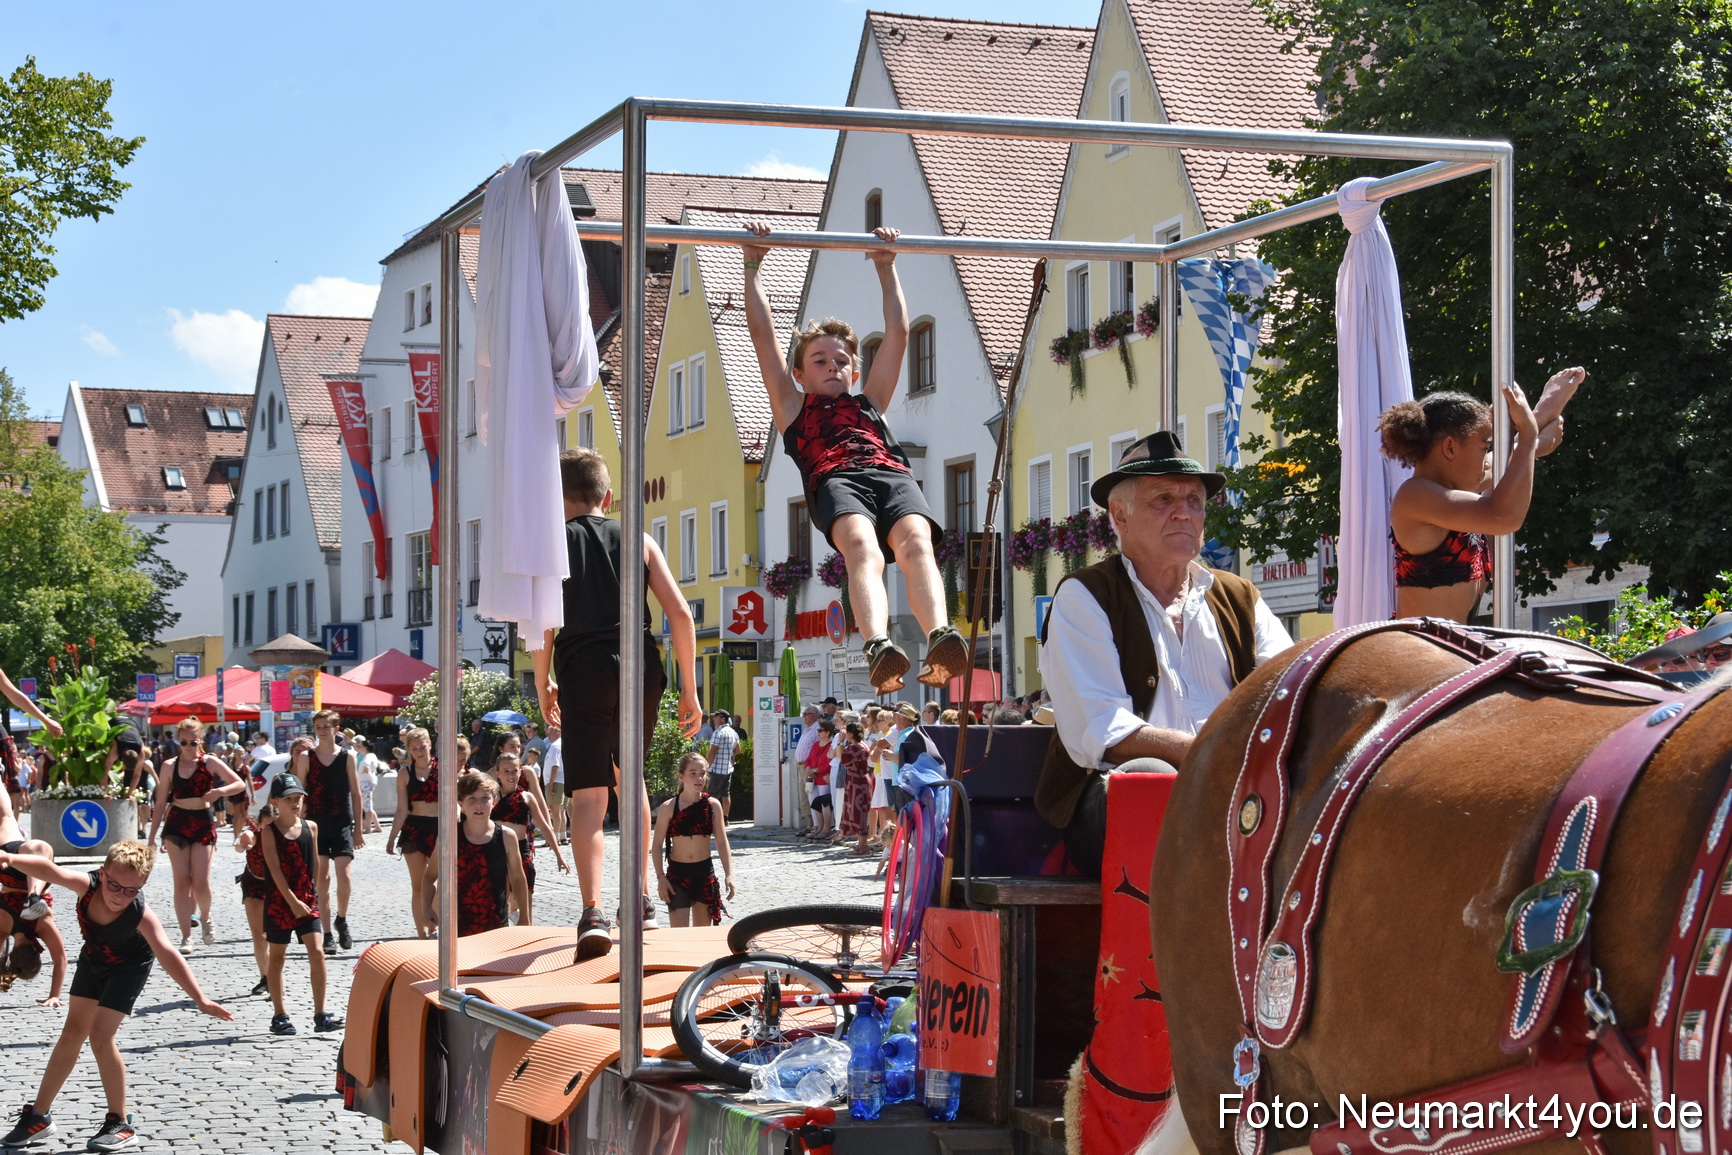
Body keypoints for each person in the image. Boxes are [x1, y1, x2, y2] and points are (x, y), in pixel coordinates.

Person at [1037, 432, 1293, 878]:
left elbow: (1291, 689)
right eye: (1164, 499)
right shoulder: (1085, 596)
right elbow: (1107, 733)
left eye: (1195, 500)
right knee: (1150, 776)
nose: (1184, 512)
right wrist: (1216, 754)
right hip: (1111, 798)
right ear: (1120, 515)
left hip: (1232, 786)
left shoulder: (1238, 596)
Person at [741, 221, 967, 694]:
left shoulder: (870, 402)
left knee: (916, 544)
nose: (833, 367)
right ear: (799, 374)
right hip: (836, 480)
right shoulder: (793, 406)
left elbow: (899, 332)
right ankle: (880, 643)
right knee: (863, 549)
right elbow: (762, 336)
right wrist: (753, 265)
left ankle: (940, 634)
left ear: (855, 369)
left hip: (890, 473)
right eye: (820, 361)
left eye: (841, 360)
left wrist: (886, 266)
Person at [534, 448, 700, 961]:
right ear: (608, 497)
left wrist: (545, 685)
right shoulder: (640, 539)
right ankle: (640, 898)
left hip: (582, 666)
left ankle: (593, 911)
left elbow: (541, 624)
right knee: (630, 779)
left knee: (588, 796)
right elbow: (681, 615)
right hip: (638, 664)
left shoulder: (552, 545)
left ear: (555, 500)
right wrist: (689, 688)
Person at [0, 840, 230, 1151]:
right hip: (94, 959)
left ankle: (119, 1122)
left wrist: (200, 998)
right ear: (102, 872)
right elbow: (49, 870)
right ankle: (38, 1117)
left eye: (131, 890)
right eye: (114, 885)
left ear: (143, 885)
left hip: (129, 968)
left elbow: (167, 953)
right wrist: (9, 856)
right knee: (71, 1033)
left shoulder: (140, 914)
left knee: (99, 1036)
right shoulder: (88, 885)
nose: (119, 896)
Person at [1378, 368, 1584, 623]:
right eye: (1484, 447)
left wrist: (1542, 414)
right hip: (1419, 649)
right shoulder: (1416, 496)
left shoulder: (1454, 489)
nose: (1486, 459)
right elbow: (1503, 517)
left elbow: (1504, 460)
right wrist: (1530, 438)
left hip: (1448, 644)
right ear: (1450, 448)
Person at [147, 718, 244, 954]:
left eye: (193, 742)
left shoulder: (210, 762)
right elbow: (160, 803)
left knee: (201, 883)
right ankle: (186, 936)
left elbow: (239, 784)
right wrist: (152, 837)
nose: (188, 746)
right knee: (182, 882)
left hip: (202, 821)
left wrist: (220, 791)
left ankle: (206, 916)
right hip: (177, 823)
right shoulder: (169, 765)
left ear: (200, 740)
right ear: (178, 741)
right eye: (184, 742)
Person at [257, 773, 342, 1036]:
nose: (295, 804)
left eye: (298, 799)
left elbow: (314, 863)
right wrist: (292, 901)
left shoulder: (311, 827)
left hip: (307, 902)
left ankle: (320, 1012)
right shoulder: (269, 832)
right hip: (280, 903)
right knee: (278, 956)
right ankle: (279, 1014)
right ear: (275, 802)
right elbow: (274, 870)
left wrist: (312, 893)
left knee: (317, 951)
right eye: (289, 799)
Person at [427, 770, 529, 938]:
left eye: (485, 798)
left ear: (494, 801)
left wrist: (524, 916)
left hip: (496, 921)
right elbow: (430, 876)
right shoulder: (449, 837)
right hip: (456, 923)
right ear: (461, 803)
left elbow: (518, 878)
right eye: (472, 798)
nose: (479, 804)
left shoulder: (507, 836)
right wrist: (427, 908)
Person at [303, 709, 365, 954]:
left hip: (341, 821)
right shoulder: (307, 758)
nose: (322, 730)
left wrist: (359, 829)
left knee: (345, 876)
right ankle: (326, 932)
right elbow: (299, 793)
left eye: (326, 726)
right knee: (322, 880)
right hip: (315, 823)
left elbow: (356, 793)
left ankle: (342, 918)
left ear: (336, 729)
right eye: (318, 727)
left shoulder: (347, 757)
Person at [651, 753, 735, 927]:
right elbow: (657, 845)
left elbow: (721, 841)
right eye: (693, 773)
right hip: (677, 875)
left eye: (703, 773)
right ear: (681, 776)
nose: (699, 778)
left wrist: (729, 874)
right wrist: (661, 878)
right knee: (679, 933)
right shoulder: (669, 807)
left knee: (701, 934)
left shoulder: (712, 805)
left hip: (704, 873)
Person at [489, 751, 568, 924]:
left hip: (521, 847)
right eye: (506, 771)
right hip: (498, 848)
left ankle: (526, 923)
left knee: (525, 890)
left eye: (514, 770)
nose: (511, 775)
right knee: (502, 891)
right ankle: (505, 922)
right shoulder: (491, 796)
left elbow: (544, 826)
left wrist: (559, 855)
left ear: (520, 772)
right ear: (498, 773)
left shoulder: (526, 797)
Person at [388, 726, 440, 939]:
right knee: (418, 884)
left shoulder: (443, 768)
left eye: (422, 747)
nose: (420, 751)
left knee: (437, 881)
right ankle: (421, 934)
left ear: (430, 744)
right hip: (414, 829)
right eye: (414, 748)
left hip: (439, 828)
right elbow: (402, 808)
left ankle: (434, 925)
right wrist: (391, 837)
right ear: (409, 750)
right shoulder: (404, 774)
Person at [231, 801, 274, 998]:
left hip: (279, 885)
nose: (270, 832)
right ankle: (265, 977)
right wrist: (242, 841)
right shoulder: (253, 833)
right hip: (255, 883)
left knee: (276, 935)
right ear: (260, 823)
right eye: (267, 827)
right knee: (259, 934)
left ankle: (274, 974)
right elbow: (241, 845)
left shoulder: (287, 834)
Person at [838, 722, 873, 855]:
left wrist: (840, 742)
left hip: (858, 782)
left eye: (847, 732)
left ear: (851, 733)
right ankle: (861, 844)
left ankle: (864, 846)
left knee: (860, 812)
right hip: (855, 781)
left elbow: (843, 759)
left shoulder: (856, 748)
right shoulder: (859, 746)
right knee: (856, 811)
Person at [802, 718, 837, 839]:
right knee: (814, 803)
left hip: (823, 779)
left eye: (820, 730)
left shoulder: (830, 746)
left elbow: (828, 763)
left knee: (824, 803)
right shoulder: (816, 745)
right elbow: (809, 759)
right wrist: (808, 769)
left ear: (827, 733)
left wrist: (815, 770)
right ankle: (817, 826)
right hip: (813, 779)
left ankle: (827, 827)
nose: (818, 732)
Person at [705, 711, 740, 820]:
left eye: (715, 717)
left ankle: (711, 818)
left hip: (716, 769)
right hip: (728, 769)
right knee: (726, 795)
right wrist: (729, 754)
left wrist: (707, 766)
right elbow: (738, 750)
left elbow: (712, 751)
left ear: (722, 718)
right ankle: (725, 818)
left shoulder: (718, 732)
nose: (713, 719)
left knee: (711, 795)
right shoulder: (733, 732)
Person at [542, 724, 568, 845]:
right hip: (562, 780)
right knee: (561, 810)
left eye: (549, 733)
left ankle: (555, 838)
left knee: (555, 810)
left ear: (557, 733)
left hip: (556, 781)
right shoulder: (562, 744)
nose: (548, 736)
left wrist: (551, 783)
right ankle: (562, 836)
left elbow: (555, 765)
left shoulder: (555, 746)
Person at [354, 737, 384, 836]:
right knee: (368, 804)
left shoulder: (368, 756)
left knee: (367, 805)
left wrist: (365, 772)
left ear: (365, 747)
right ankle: (377, 826)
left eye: (361, 746)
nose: (360, 748)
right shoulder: (370, 755)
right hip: (367, 781)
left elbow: (366, 765)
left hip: (365, 782)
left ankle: (368, 828)